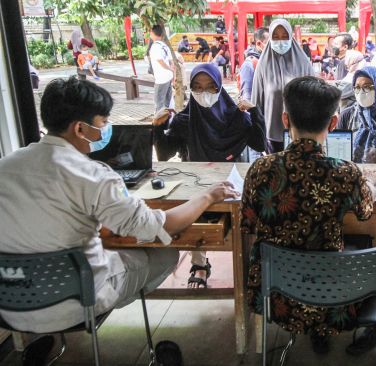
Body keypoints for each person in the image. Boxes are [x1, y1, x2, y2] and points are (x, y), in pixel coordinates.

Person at [0, 77, 239, 360]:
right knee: (165, 254)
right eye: (102, 124)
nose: (104, 130)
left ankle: (38, 346)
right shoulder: (93, 176)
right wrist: (208, 197)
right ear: (80, 128)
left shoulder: (6, 165)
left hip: (11, 304)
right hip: (79, 302)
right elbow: (156, 227)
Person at [242, 76, 376, 355]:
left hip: (275, 294)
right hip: (332, 298)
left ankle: (311, 331)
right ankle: (323, 329)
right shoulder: (346, 173)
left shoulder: (259, 169)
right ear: (333, 123)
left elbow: (248, 224)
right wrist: (371, 184)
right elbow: (365, 212)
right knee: (367, 248)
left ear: (284, 119)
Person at [153, 64, 266, 287]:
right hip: (197, 182)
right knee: (195, 213)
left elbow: (259, 142)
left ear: (220, 87)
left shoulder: (237, 117)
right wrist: (158, 127)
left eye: (211, 87)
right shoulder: (184, 121)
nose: (204, 93)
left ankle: (250, 265)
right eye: (197, 87)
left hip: (232, 181)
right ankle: (200, 263)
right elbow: (165, 154)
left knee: (248, 217)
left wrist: (254, 112)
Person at [251, 18, 313, 154]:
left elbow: (313, 97)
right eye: (276, 37)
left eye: (285, 36)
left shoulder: (303, 64)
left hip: (300, 133)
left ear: (291, 37)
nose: (280, 41)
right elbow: (256, 102)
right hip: (272, 135)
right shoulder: (263, 65)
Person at [238, 27, 269, 101]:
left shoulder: (269, 60)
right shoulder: (249, 65)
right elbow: (247, 96)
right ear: (258, 43)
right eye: (270, 43)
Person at [149, 25, 175, 113]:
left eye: (151, 32)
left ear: (152, 33)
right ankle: (167, 122)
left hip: (161, 79)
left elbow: (160, 61)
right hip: (168, 77)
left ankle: (160, 124)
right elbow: (172, 62)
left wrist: (169, 69)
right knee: (166, 103)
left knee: (159, 104)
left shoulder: (155, 47)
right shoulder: (165, 46)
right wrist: (172, 73)